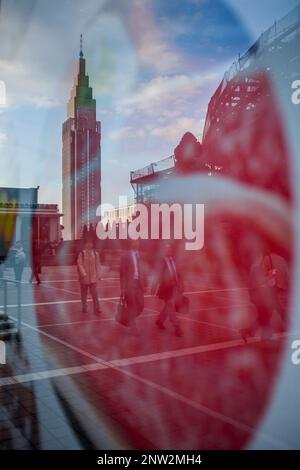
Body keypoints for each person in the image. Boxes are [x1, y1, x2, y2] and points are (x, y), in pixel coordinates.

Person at [154, 242, 184, 337]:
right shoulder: (161, 261)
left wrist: (181, 285)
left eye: (169, 249)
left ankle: (159, 321)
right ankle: (177, 327)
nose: (168, 251)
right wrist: (154, 287)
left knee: (168, 307)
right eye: (166, 249)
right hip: (166, 289)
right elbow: (158, 275)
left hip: (174, 288)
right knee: (170, 306)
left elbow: (178, 274)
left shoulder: (173, 260)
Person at [120, 239, 145, 334]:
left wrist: (144, 284)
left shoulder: (140, 255)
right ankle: (134, 327)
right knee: (132, 306)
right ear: (131, 243)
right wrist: (122, 288)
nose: (137, 244)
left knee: (141, 306)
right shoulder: (125, 255)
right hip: (129, 285)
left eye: (138, 242)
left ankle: (130, 319)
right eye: (135, 242)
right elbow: (122, 273)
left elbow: (143, 270)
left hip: (139, 284)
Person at [77, 239, 101, 315]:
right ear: (85, 244)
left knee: (95, 293)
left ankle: (97, 308)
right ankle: (84, 306)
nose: (90, 245)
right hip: (84, 278)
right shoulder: (82, 253)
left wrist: (99, 275)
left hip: (93, 278)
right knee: (84, 294)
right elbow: (79, 264)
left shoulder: (95, 253)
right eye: (88, 243)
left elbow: (98, 265)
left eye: (91, 243)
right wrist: (83, 274)